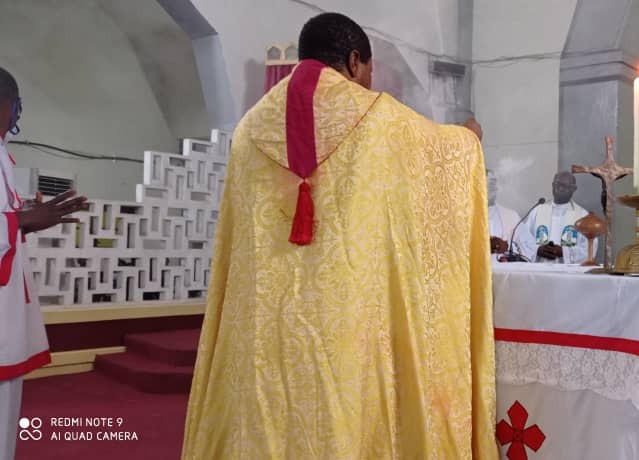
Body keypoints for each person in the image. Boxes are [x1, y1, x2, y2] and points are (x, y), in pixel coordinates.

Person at [181, 13, 497, 459]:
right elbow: (441, 155)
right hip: (348, 327)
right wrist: (469, 138)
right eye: (368, 69)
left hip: (265, 326)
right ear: (353, 61)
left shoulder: (250, 127)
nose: (368, 81)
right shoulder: (379, 118)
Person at [0, 67, 89, 460]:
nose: (17, 114)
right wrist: (20, 220)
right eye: (15, 104)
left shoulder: (3, 155)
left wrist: (27, 220)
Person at [514, 171, 593, 264]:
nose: (560, 188)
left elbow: (589, 248)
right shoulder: (537, 211)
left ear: (574, 188)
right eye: (557, 184)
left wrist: (564, 252)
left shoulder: (582, 215)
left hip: (568, 271)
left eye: (565, 186)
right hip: (540, 268)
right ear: (552, 185)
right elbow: (524, 239)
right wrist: (538, 249)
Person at [487, 169, 519, 255]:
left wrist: (507, 245)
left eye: (492, 184)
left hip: (504, 263)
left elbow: (528, 247)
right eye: (486, 184)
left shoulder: (511, 216)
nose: (490, 188)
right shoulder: (464, 216)